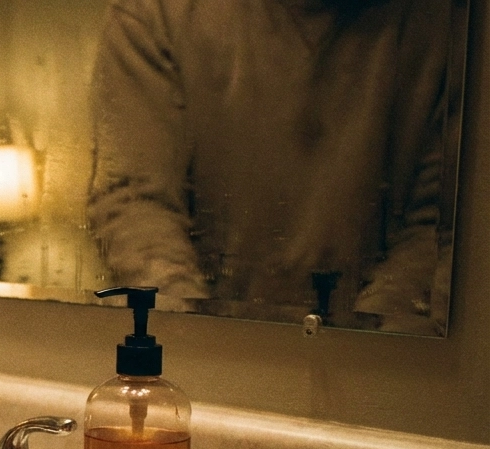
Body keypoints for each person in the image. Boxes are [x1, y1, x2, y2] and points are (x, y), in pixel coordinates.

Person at [86, 0, 451, 333]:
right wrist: (204, 342)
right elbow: (137, 206)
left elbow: (443, 231)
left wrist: (364, 352)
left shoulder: (449, 26)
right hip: (212, 360)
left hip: (387, 376)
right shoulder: (158, 13)